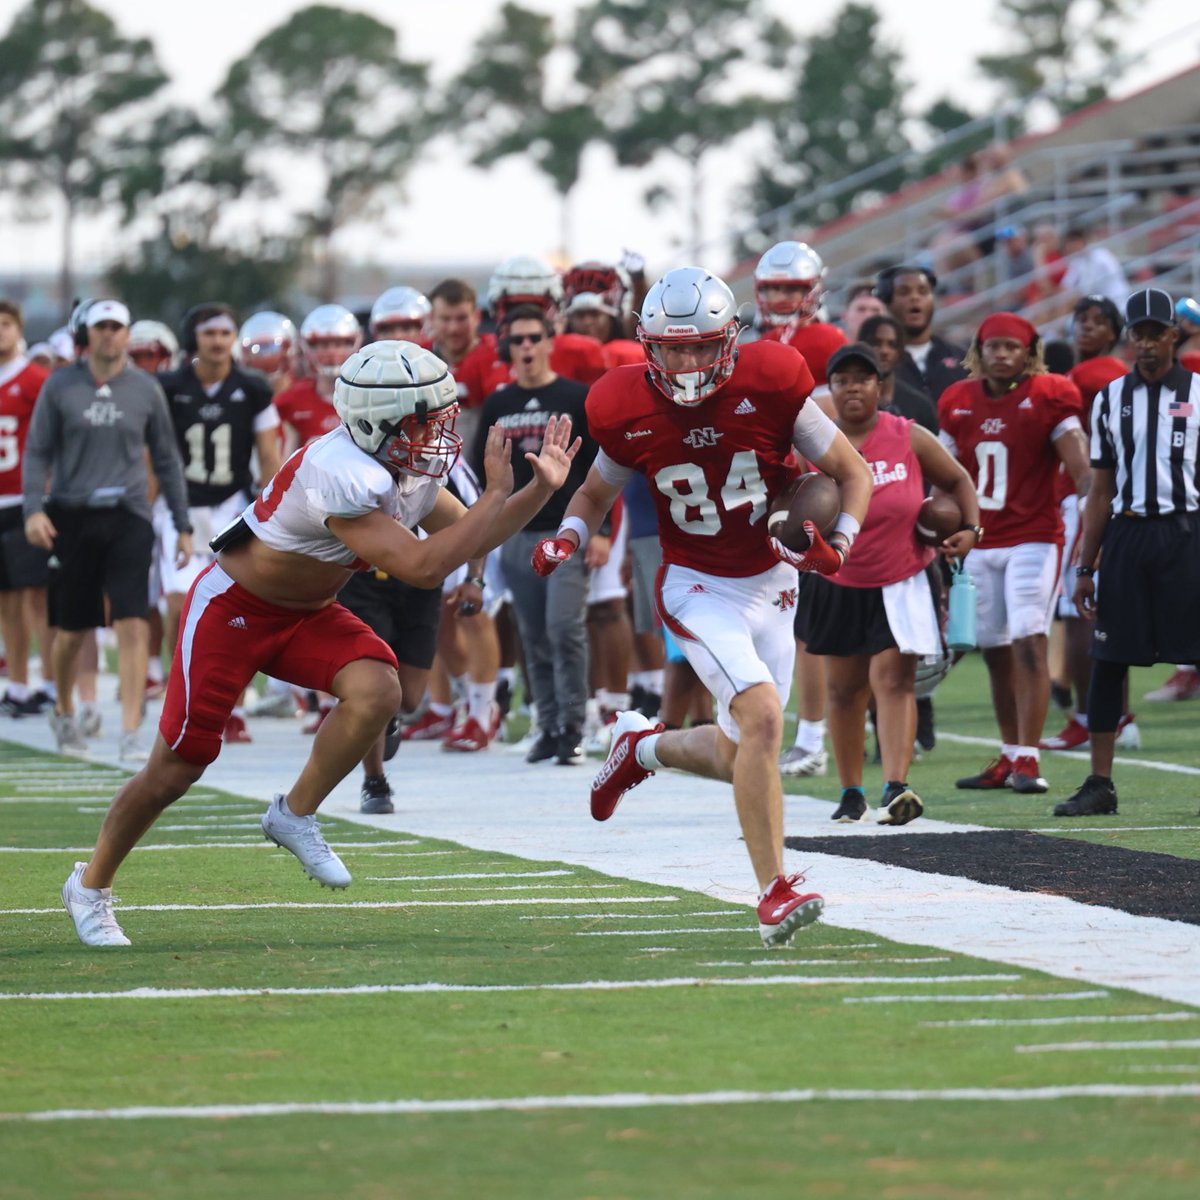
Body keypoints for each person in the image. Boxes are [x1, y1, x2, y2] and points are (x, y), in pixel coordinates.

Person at [59, 339, 581, 946]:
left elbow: (466, 531)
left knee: (379, 690)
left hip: (306, 613)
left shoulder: (402, 463)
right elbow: (421, 566)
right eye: (424, 419)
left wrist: (538, 491)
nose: (438, 430)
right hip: (235, 609)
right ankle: (90, 886)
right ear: (374, 422)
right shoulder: (342, 470)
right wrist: (495, 495)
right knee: (178, 766)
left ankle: (294, 813)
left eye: (439, 415)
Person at [533, 267, 873, 948]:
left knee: (744, 746)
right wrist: (569, 534)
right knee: (765, 718)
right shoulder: (622, 402)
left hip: (774, 582)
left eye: (699, 347)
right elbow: (595, 494)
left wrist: (838, 542)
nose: (685, 363)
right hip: (697, 582)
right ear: (646, 344)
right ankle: (775, 890)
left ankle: (642, 748)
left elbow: (850, 473)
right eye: (671, 348)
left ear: (731, 340)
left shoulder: (773, 380)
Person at [799, 344, 980, 824]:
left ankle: (897, 785)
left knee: (895, 681)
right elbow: (789, 499)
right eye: (842, 380)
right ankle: (851, 791)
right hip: (837, 573)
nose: (853, 387)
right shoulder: (814, 444)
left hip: (902, 576)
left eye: (863, 378)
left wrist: (971, 529)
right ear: (831, 389)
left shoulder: (908, 435)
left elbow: (958, 481)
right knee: (843, 690)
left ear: (881, 386)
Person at [22, 299, 194, 761]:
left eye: (117, 327)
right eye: (101, 327)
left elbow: (165, 458)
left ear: (126, 334)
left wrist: (182, 524)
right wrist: (33, 511)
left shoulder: (145, 388)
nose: (109, 335)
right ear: (86, 333)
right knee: (72, 628)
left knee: (132, 620)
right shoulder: (60, 386)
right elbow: (36, 453)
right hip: (71, 515)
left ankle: (133, 730)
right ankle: (62, 707)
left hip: (129, 514)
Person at [1056, 290, 1200, 816]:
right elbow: (1100, 488)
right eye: (1136, 332)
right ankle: (1100, 784)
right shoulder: (1110, 398)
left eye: (1154, 331)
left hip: (1186, 533)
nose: (1144, 341)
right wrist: (1085, 564)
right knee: (1108, 658)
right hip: (1128, 534)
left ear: (1173, 335)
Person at [939, 313, 1091, 795]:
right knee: (995, 649)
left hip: (1035, 537)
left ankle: (1029, 756)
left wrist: (1093, 514)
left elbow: (1082, 468)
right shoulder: (956, 400)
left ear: (1030, 353)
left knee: (1030, 638)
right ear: (978, 351)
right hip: (982, 539)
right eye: (993, 346)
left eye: (1011, 347)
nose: (1002, 354)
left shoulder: (1049, 395)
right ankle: (1010, 754)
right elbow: (944, 475)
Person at [473, 303, 599, 766]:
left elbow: (603, 471)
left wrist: (599, 532)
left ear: (550, 341)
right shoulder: (499, 403)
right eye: (517, 339)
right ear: (507, 346)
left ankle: (573, 726)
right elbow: (479, 475)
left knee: (565, 628)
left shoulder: (576, 396)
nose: (526, 347)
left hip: (565, 531)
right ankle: (547, 726)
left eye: (534, 337)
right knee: (532, 635)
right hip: (515, 532)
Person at [156, 303, 282, 744]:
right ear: (195, 339)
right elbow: (155, 451)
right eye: (209, 332)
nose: (217, 341)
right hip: (181, 505)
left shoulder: (253, 388)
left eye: (225, 332)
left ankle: (234, 705)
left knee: (239, 607)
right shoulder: (170, 386)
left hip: (232, 505)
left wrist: (272, 508)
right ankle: (185, 695)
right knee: (178, 602)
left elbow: (268, 454)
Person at [1041, 295, 1138, 749]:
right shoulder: (1103, 373)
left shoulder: (1092, 374)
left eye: (1100, 321)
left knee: (1078, 609)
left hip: (1083, 498)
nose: (1087, 327)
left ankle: (1090, 716)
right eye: (1082, 318)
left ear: (1115, 332)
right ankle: (1116, 715)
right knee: (1098, 608)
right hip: (1104, 496)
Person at [0, 298, 54, 717]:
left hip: (26, 499)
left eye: (5, 324)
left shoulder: (36, 380)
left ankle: (50, 682)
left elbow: (51, 441)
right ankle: (17, 684)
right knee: (7, 599)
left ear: (19, 330)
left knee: (37, 595)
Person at [747, 241, 847, 385]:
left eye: (791, 288)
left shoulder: (829, 339)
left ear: (811, 290)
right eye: (773, 288)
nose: (781, 298)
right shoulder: (765, 341)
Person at [876, 265, 968, 404]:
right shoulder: (874, 361)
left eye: (923, 291)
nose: (914, 297)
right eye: (904, 292)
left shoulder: (961, 357)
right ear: (887, 303)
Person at [858, 314, 938, 434]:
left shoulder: (920, 406)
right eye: (876, 343)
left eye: (892, 345)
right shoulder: (846, 400)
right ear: (861, 346)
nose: (884, 351)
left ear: (900, 352)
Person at [1060, 227, 1130, 310]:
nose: (1069, 249)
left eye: (1071, 245)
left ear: (1079, 242)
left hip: (1115, 301)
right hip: (1097, 303)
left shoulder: (1101, 256)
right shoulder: (1077, 261)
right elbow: (1065, 285)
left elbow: (1088, 289)